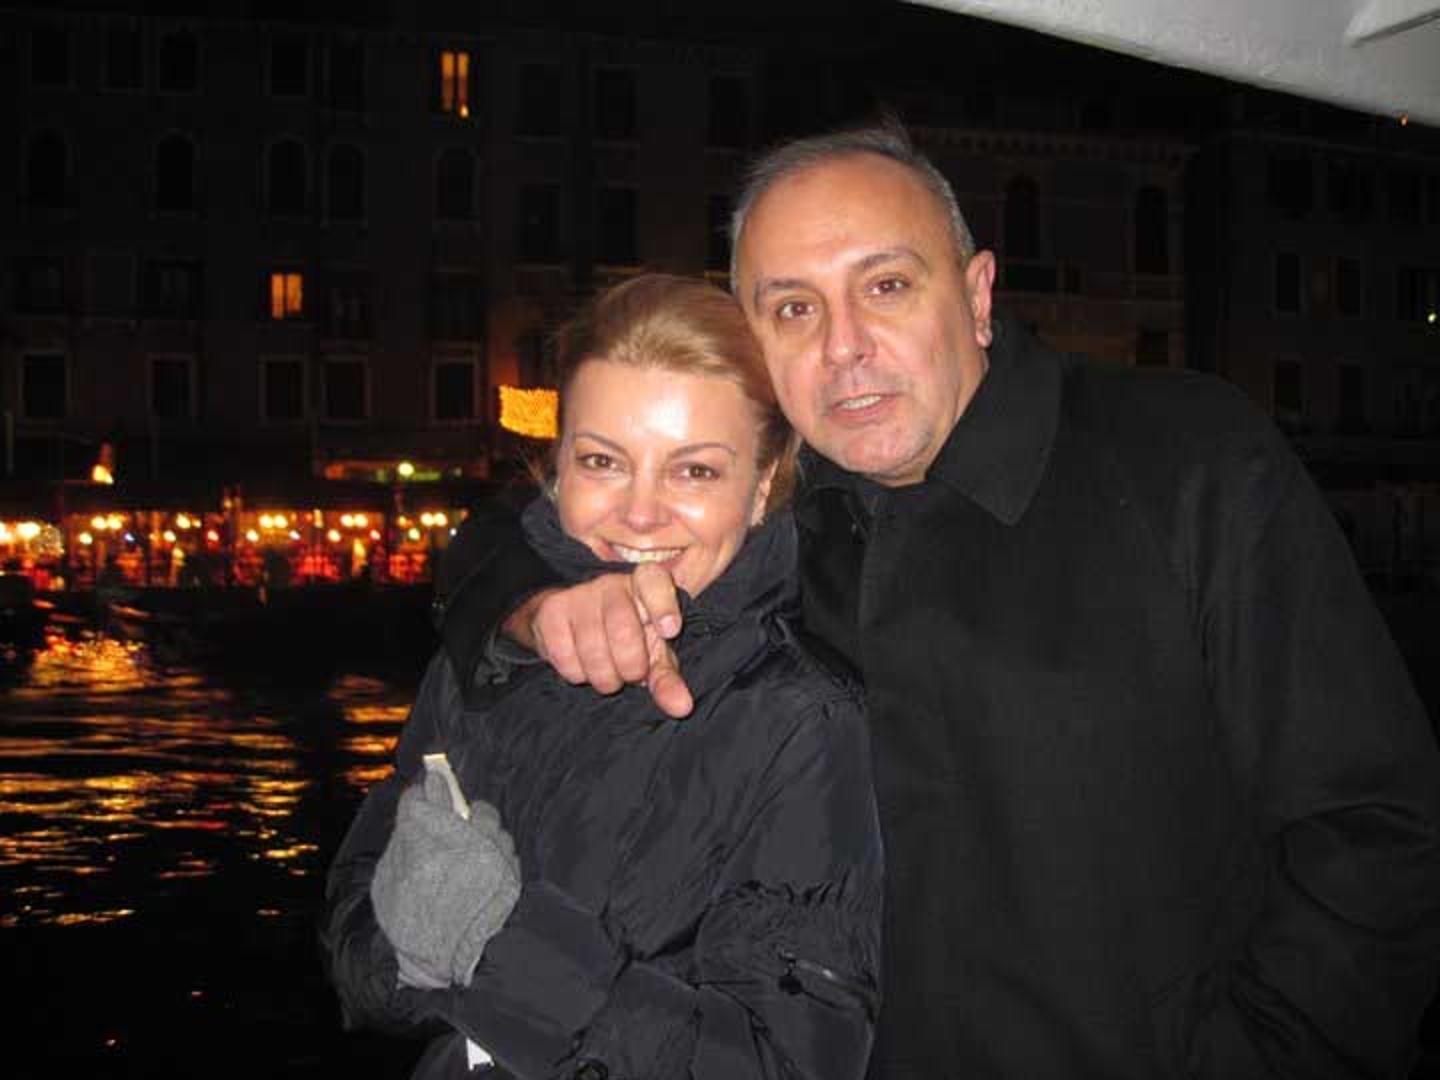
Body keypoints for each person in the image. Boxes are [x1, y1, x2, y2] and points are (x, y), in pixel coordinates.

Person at [440, 122, 1440, 1079]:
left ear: (977, 294)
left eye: (886, 285)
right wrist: (537, 606)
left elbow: (1376, 835)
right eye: (793, 309)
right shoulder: (780, 516)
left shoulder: (1185, 459)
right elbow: (511, 535)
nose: (844, 346)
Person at [322, 273, 882, 1080]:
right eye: (602, 461)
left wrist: (498, 947)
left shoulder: (806, 725)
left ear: (762, 487)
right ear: (557, 467)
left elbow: (785, 1065)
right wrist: (412, 942)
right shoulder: (491, 659)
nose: (640, 514)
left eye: (695, 471)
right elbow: (356, 954)